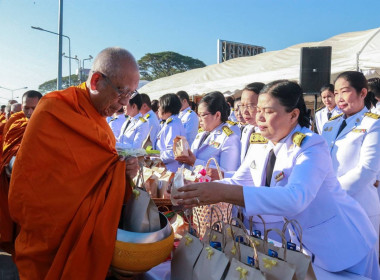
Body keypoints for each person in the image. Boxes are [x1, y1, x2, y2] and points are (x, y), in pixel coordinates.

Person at [175, 80, 379, 279]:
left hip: (341, 246)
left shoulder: (310, 145)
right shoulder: (260, 143)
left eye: (269, 111)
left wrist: (222, 192)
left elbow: (295, 198)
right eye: (259, 110)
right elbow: (239, 182)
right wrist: (198, 189)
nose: (260, 117)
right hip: (301, 248)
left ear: (293, 115)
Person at [8, 47, 140, 279]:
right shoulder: (53, 109)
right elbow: (29, 180)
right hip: (45, 235)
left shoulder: (101, 122)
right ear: (96, 80)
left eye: (131, 95)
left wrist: (124, 170)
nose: (124, 103)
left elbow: (103, 172)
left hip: (80, 234)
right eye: (122, 92)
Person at [322, 71, 380, 254]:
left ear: (363, 93)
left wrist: (330, 194)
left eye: (345, 91)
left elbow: (367, 170)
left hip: (358, 206)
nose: (339, 97)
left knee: (359, 264)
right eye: (336, 92)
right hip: (328, 206)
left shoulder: (374, 124)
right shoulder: (329, 125)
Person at [0, 90, 42, 255]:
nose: (30, 112)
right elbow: (7, 148)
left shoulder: (50, 126)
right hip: (13, 178)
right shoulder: (16, 124)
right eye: (26, 108)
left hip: (37, 184)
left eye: (34, 108)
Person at [175, 91, 240, 172]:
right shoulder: (201, 134)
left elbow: (227, 173)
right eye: (198, 115)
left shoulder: (229, 138)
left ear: (217, 115)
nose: (199, 119)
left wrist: (195, 162)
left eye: (202, 115)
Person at [153, 93, 185, 172]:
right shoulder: (171, 122)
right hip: (167, 168)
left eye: (160, 106)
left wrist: (155, 157)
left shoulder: (172, 125)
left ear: (166, 108)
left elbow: (172, 152)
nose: (158, 110)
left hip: (170, 170)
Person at [239, 82, 265, 164]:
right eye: (242, 105)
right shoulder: (247, 129)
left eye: (250, 106)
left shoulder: (270, 132)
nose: (245, 111)